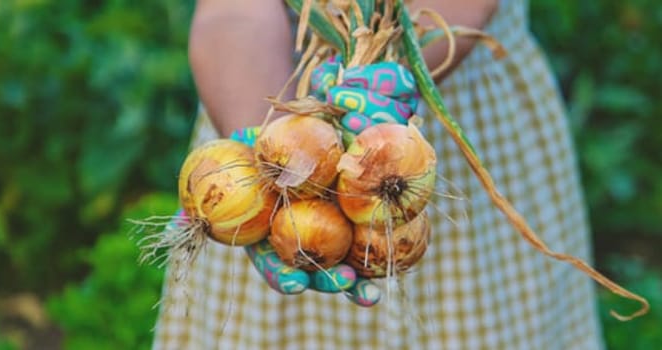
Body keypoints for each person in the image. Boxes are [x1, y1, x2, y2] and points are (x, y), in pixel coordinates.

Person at [155, 0, 606, 348]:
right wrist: (267, 164)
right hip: (270, 93)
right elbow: (232, 10)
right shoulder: (272, 147)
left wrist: (396, 75)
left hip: (461, 114)